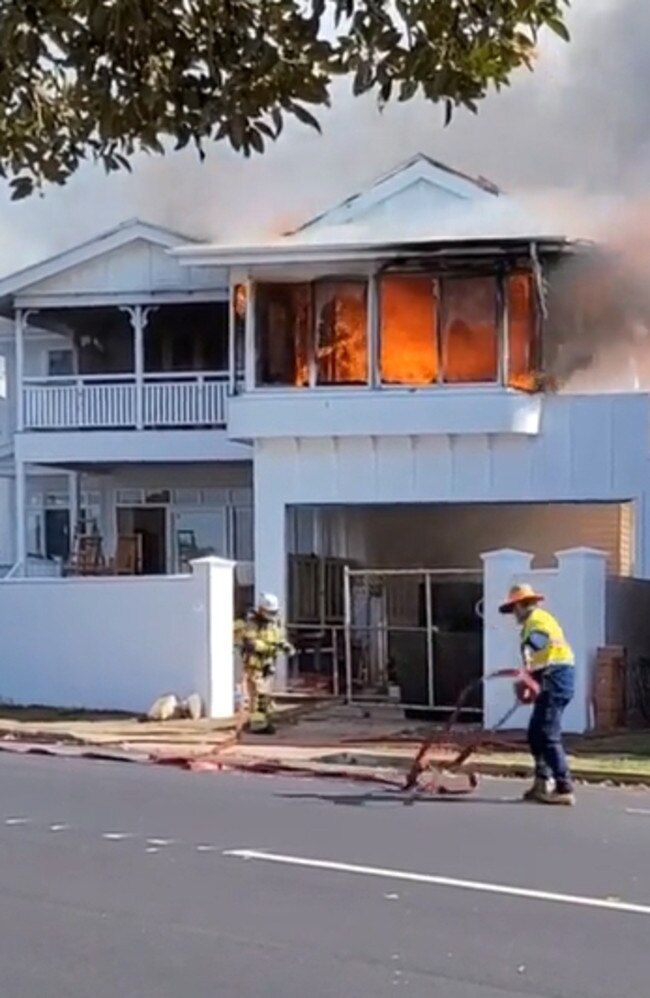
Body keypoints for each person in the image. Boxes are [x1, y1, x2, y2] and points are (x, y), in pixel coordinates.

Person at [499, 583, 576, 806]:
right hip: (549, 678)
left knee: (548, 734)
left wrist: (528, 648)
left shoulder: (538, 620)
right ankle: (542, 782)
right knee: (535, 733)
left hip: (556, 678)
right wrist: (528, 678)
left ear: (522, 605)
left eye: (514, 609)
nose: (514, 614)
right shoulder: (533, 622)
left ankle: (564, 787)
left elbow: (540, 641)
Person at [234, 593, 295, 735]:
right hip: (254, 666)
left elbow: (277, 637)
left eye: (274, 612)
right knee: (258, 695)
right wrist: (270, 647)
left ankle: (261, 721)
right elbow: (251, 644)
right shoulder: (252, 624)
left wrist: (285, 646)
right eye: (270, 612)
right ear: (261, 609)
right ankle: (258, 725)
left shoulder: (272, 623)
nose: (272, 615)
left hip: (267, 665)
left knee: (265, 696)